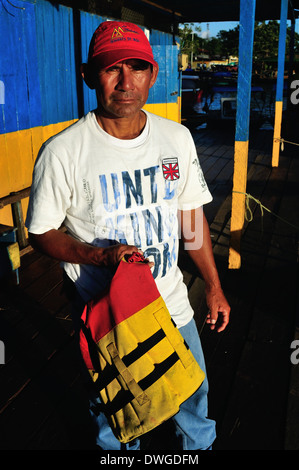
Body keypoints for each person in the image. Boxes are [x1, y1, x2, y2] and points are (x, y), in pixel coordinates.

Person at [25, 20, 230, 451]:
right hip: (108, 316)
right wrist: (100, 257)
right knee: (115, 418)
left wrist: (212, 286)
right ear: (87, 75)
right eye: (110, 68)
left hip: (172, 303)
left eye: (137, 67)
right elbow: (41, 232)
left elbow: (191, 220)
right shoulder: (63, 151)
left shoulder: (176, 138)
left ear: (153, 75)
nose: (125, 81)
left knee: (194, 401)